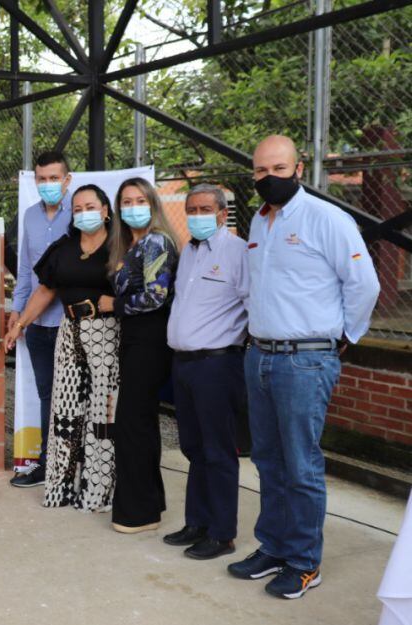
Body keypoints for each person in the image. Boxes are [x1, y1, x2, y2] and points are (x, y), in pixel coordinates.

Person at [228, 135, 380, 599]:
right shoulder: (259, 221)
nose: (267, 178)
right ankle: (272, 547)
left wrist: (343, 338)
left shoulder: (328, 219)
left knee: (301, 465)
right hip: (260, 356)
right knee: (268, 460)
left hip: (305, 360)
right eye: (259, 171)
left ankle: (303, 561)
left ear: (299, 168)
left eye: (277, 168)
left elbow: (364, 285)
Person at [4, 184, 120, 512]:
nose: (84, 213)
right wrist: (20, 323)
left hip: (108, 335)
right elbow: (45, 291)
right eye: (79, 208)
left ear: (106, 210)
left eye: (91, 207)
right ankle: (61, 487)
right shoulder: (64, 247)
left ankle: (99, 491)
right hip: (69, 333)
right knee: (65, 412)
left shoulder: (120, 248)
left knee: (103, 413)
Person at [163, 184, 248, 560]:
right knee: (193, 448)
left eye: (204, 209)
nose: (197, 215)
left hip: (217, 363)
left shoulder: (237, 252)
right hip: (184, 365)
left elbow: (252, 303)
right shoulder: (189, 253)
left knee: (217, 450)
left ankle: (222, 532)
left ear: (220, 213)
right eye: (191, 208)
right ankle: (196, 522)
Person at [102, 178, 178, 534]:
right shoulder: (128, 245)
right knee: (140, 422)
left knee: (132, 424)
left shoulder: (157, 241)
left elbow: (155, 296)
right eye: (126, 201)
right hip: (132, 340)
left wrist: (114, 304)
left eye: (139, 200)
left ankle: (139, 512)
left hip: (150, 341)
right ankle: (151, 502)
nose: (133, 206)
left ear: (152, 203)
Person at [8, 150, 74, 488]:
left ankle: (74, 468)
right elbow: (25, 273)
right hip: (37, 327)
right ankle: (49, 466)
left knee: (74, 397)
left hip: (71, 324)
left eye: (53, 178)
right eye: (41, 178)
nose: (47, 184)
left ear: (67, 180)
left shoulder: (79, 215)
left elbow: (55, 282)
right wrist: (17, 312)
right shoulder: (31, 216)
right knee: (47, 395)